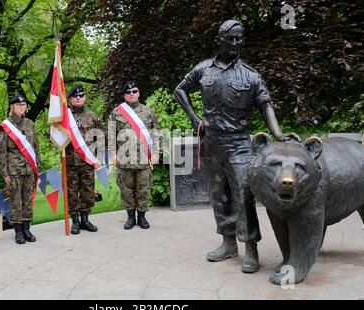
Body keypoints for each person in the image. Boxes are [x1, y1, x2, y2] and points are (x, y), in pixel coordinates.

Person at [174, 20, 288, 273]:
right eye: (231, 39)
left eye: (240, 39)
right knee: (218, 194)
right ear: (220, 40)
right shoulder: (204, 69)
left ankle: (250, 249)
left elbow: (265, 104)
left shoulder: (250, 75)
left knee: (243, 196)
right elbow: (180, 90)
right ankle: (227, 243)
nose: (236, 43)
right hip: (211, 142)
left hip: (238, 144)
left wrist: (278, 133)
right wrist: (194, 120)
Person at [109, 81, 160, 230]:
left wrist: (156, 153)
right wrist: (112, 153)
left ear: (139, 93)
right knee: (126, 190)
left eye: (134, 91)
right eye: (128, 92)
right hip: (124, 158)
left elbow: (156, 134)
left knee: (144, 188)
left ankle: (142, 217)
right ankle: (130, 217)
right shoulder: (116, 112)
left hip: (144, 158)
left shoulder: (148, 112)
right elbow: (111, 135)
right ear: (124, 95)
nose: (131, 94)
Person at [0, 95, 40, 244]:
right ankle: (18, 232)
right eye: (19, 104)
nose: (22, 107)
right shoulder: (5, 127)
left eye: (24, 104)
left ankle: (27, 229)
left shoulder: (30, 124)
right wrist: (5, 174)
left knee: (28, 200)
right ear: (12, 107)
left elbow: (36, 147)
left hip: (29, 170)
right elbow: (1, 152)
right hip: (13, 171)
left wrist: (37, 168)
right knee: (16, 201)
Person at [65, 85, 102, 235]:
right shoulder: (63, 117)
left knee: (87, 191)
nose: (78, 97)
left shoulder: (92, 116)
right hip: (70, 161)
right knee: (72, 192)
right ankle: (75, 221)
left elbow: (100, 138)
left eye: (81, 95)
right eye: (75, 96)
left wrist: (98, 159)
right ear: (70, 99)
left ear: (84, 98)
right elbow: (53, 137)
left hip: (87, 161)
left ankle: (85, 220)